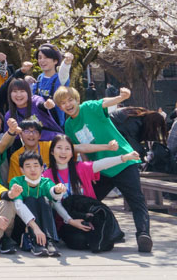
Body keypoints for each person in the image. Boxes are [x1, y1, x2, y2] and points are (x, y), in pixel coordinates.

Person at [56, 85, 152, 253]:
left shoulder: (88, 107)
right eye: (63, 103)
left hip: (124, 161)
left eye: (70, 100)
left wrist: (121, 97)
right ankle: (108, 231)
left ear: (77, 100)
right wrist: (88, 170)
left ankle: (143, 235)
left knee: (136, 199)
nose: (68, 104)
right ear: (60, 107)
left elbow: (105, 103)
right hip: (101, 169)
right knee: (89, 201)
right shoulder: (69, 125)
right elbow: (82, 149)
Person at [47, 135, 129, 252]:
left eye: (67, 148)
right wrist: (71, 221)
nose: (63, 152)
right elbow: (54, 203)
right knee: (79, 241)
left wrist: (123, 158)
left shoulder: (81, 168)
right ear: (52, 151)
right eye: (59, 148)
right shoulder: (47, 175)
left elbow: (102, 163)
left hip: (90, 216)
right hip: (66, 222)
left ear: (72, 153)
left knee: (100, 237)